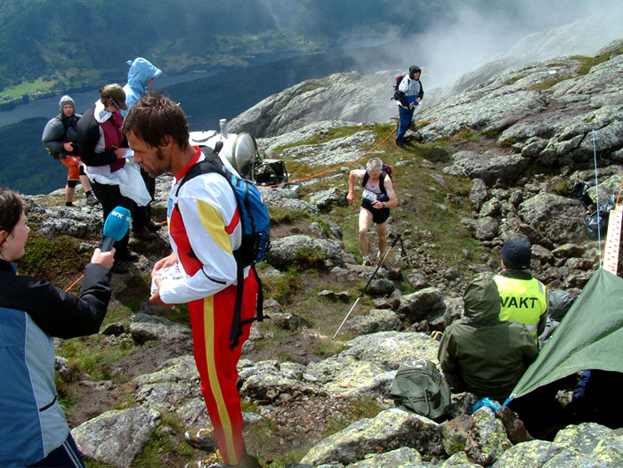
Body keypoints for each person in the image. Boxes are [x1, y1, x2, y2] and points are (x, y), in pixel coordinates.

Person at [123, 92, 261, 468]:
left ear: (166, 141)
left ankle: (234, 458)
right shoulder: (203, 156)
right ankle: (225, 432)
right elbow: (221, 231)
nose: (135, 159)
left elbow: (219, 273)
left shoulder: (195, 194)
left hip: (222, 300)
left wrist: (169, 292)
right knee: (216, 376)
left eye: (139, 150)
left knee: (215, 381)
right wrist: (180, 254)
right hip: (233, 289)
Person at [0, 187, 114, 467]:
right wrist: (98, 271)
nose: (28, 229)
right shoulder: (25, 294)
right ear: (3, 237)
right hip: (33, 438)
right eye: (23, 224)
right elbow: (87, 317)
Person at [77, 84, 152, 274]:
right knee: (113, 216)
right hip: (102, 176)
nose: (118, 110)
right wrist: (113, 155)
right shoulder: (90, 124)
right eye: (117, 106)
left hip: (118, 170)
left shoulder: (113, 114)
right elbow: (87, 158)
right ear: (108, 101)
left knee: (124, 210)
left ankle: (122, 249)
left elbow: (120, 135)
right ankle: (110, 257)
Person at [438, 274, 538, 403]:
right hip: (513, 396)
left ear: (468, 302)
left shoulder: (454, 332)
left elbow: (446, 365)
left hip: (473, 394)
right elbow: (533, 360)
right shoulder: (518, 331)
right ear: (497, 302)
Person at [121, 57, 164, 238]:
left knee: (148, 185)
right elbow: (132, 127)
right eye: (150, 77)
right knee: (140, 188)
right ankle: (138, 227)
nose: (152, 81)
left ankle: (146, 219)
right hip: (136, 153)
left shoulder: (138, 92)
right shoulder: (130, 96)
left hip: (143, 149)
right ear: (142, 77)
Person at [42, 95, 98, 207]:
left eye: (70, 107)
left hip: (78, 153)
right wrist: (63, 146)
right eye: (66, 107)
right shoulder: (56, 124)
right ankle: (89, 196)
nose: (68, 110)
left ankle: (68, 203)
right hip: (66, 155)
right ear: (61, 109)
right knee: (82, 165)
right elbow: (46, 141)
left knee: (72, 179)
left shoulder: (79, 119)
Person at [494, 238, 548, 345]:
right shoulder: (540, 288)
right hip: (528, 351)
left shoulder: (492, 285)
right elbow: (541, 328)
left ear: (504, 263)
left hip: (496, 349)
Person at [346, 157, 398, 266]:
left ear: (380, 171)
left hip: (382, 208)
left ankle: (381, 255)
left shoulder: (386, 180)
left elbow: (395, 202)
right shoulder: (365, 174)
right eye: (370, 173)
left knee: (381, 236)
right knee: (362, 231)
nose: (372, 176)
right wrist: (351, 192)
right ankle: (366, 259)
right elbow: (352, 173)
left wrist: (383, 204)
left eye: (375, 174)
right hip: (367, 205)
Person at [395, 65, 424, 147]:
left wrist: (419, 98)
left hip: (412, 106)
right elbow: (400, 95)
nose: (417, 75)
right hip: (404, 106)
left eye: (418, 73)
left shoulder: (418, 82)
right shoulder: (406, 81)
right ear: (412, 73)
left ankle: (400, 135)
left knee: (408, 124)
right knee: (405, 124)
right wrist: (407, 104)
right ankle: (399, 140)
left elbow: (421, 92)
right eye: (416, 73)